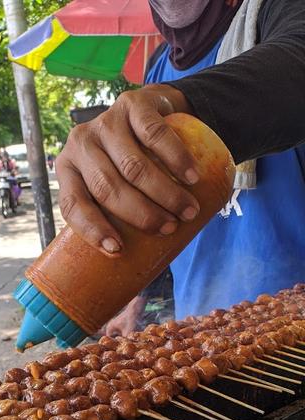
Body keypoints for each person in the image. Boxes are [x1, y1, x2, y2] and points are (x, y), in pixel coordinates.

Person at [55, 0, 305, 334]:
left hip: (291, 335)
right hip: (194, 336)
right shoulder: (157, 66)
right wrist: (140, 300)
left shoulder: (277, 11)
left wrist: (184, 110)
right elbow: (156, 215)